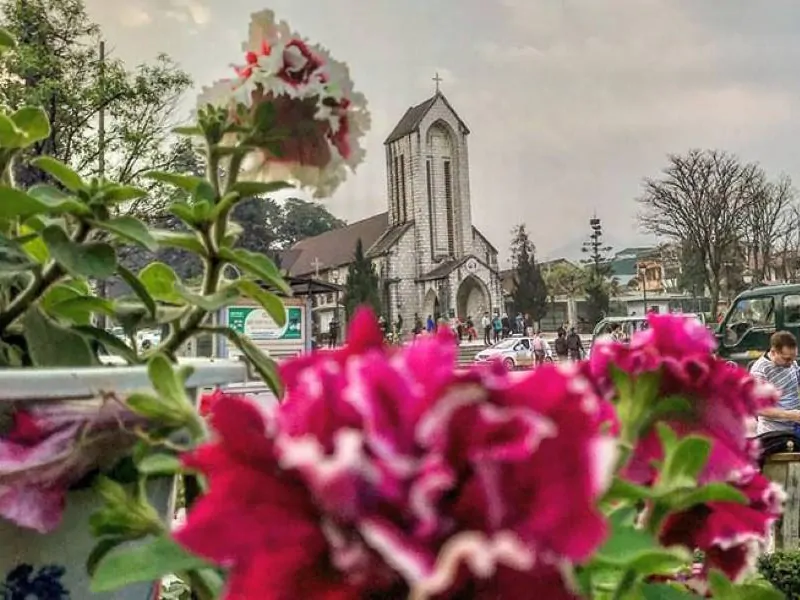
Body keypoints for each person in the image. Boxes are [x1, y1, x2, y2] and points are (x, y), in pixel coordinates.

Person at [751, 331, 800, 434]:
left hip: (795, 427)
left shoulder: (791, 363)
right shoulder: (760, 371)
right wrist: (790, 415)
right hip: (774, 432)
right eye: (787, 359)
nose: (791, 363)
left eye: (794, 358)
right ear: (773, 352)